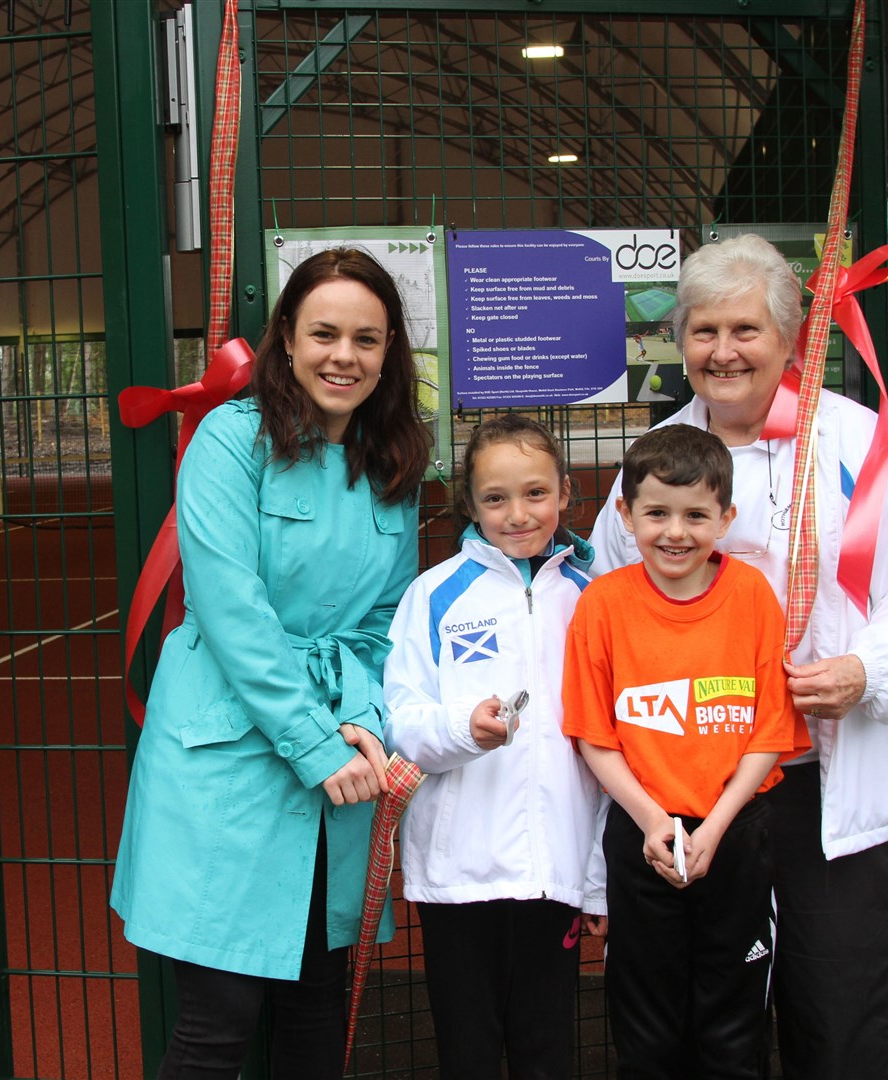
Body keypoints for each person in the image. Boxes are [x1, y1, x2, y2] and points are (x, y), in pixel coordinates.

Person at [588, 234, 888, 1080]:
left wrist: (868, 669)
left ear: (791, 339)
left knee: (844, 1024)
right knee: (710, 1033)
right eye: (704, 330)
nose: (723, 352)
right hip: (697, 796)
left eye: (745, 330)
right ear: (679, 341)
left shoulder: (858, 445)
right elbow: (610, 619)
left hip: (832, 790)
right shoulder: (649, 470)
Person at [109, 247, 430, 1078]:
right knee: (219, 1024)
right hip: (230, 751)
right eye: (324, 333)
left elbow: (384, 620)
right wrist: (317, 745)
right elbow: (228, 609)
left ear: (390, 349)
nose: (343, 356)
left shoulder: (392, 459)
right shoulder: (231, 437)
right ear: (286, 337)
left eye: (367, 338)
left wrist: (359, 721)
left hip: (340, 759)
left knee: (318, 1007)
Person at [563, 423, 809, 1079]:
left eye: (697, 515)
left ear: (726, 518)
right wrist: (653, 823)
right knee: (647, 1028)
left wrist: (717, 825)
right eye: (657, 513)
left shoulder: (753, 595)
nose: (676, 532)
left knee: (733, 1029)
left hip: (737, 829)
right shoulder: (604, 606)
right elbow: (595, 736)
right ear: (625, 514)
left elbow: (769, 732)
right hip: (644, 833)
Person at [383, 414, 607, 1079]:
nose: (518, 514)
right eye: (495, 498)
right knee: (468, 1053)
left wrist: (598, 873)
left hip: (558, 870)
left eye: (536, 493)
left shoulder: (594, 599)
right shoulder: (433, 596)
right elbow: (402, 719)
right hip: (458, 876)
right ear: (470, 505)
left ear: (565, 492)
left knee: (547, 1052)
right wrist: (461, 729)